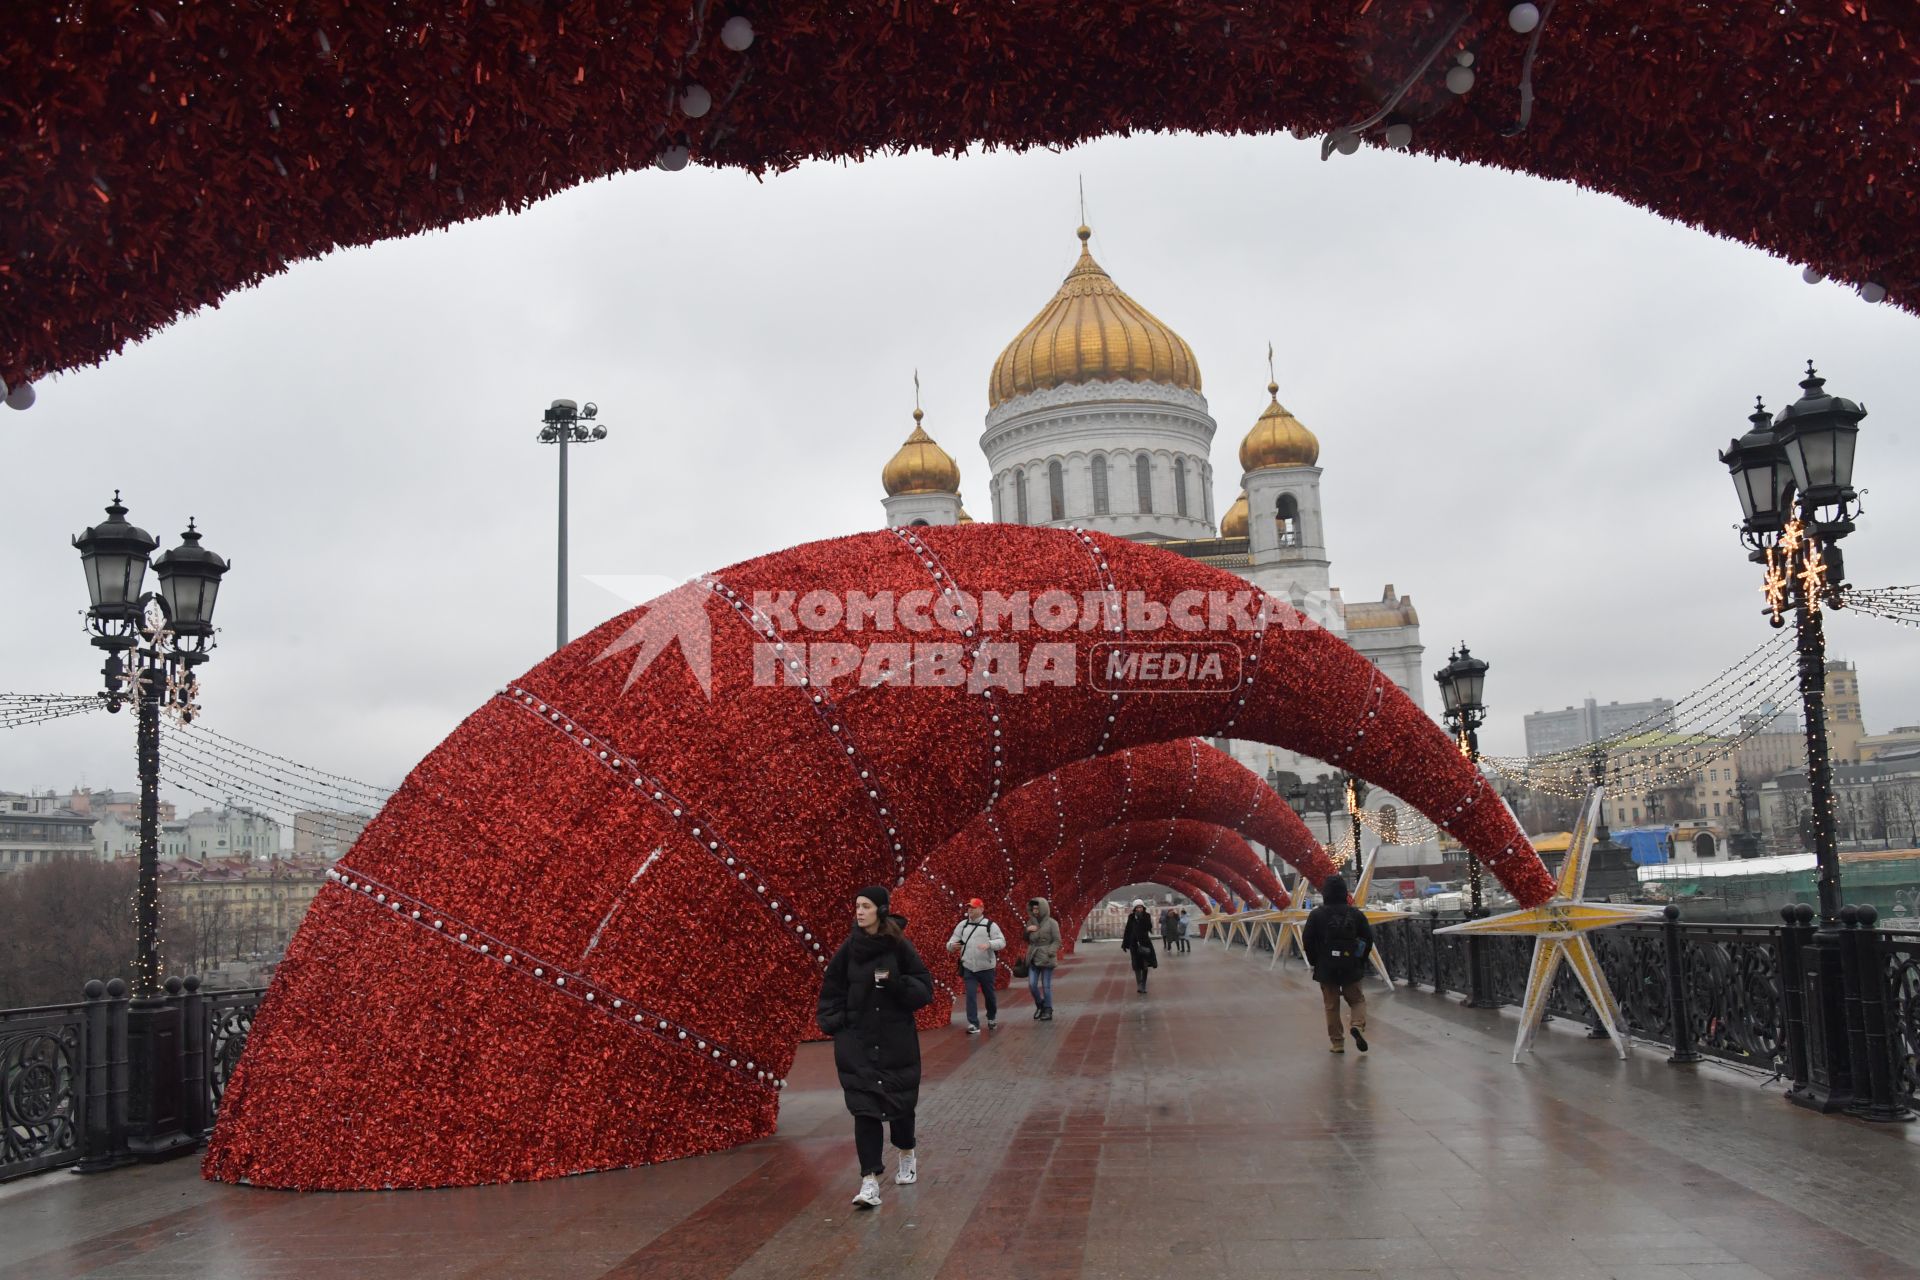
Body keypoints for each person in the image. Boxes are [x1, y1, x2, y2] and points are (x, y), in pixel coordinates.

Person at [817, 884, 934, 1209]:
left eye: (866, 906)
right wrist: (836, 1022)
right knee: (864, 1109)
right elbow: (832, 988)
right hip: (858, 1042)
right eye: (857, 905)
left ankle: (907, 1153)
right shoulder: (849, 949)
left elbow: (924, 988)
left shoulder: (898, 946)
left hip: (895, 1041)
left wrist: (895, 984)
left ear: (880, 910)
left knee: (900, 1106)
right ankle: (869, 1181)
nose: (859, 911)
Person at [1301, 873, 1375, 1054]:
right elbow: (1368, 938)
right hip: (1351, 965)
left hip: (1326, 966)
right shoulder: (1355, 914)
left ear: (1325, 893)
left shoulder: (1317, 915)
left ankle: (1337, 1043)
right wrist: (1361, 959)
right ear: (1344, 893)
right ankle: (1357, 1024)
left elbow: (1307, 940)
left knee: (1331, 1006)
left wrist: (1314, 961)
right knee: (1357, 1000)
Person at [945, 897, 1006, 1033]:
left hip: (986, 968)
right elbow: (952, 942)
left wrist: (989, 944)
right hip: (969, 967)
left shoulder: (990, 925)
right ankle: (973, 1023)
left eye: (973, 907)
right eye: (969, 907)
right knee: (970, 995)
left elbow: (1002, 942)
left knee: (989, 995)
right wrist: (952, 946)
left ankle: (991, 1017)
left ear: (981, 909)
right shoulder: (963, 925)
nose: (970, 910)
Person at [1024, 897, 1060, 1020]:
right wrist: (1027, 931)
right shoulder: (1030, 923)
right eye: (1033, 908)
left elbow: (1057, 940)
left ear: (1043, 908)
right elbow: (1025, 939)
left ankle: (1048, 1010)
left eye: (1038, 908)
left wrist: (1050, 951)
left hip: (1047, 958)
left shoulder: (1052, 923)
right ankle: (1040, 1004)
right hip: (1033, 956)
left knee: (1046, 985)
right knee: (1032, 984)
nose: (1035, 911)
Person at [1120, 898, 1158, 994]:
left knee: (1145, 966)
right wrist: (1125, 943)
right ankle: (1139, 985)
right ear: (1134, 908)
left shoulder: (1146, 916)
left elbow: (1148, 927)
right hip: (1134, 945)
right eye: (1137, 907)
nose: (1139, 909)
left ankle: (1144, 984)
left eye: (1140, 907)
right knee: (1137, 966)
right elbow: (1128, 930)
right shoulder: (1131, 917)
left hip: (1145, 944)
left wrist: (1141, 918)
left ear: (1143, 908)